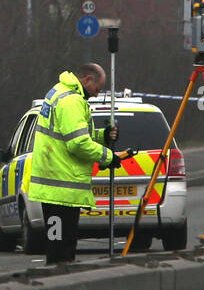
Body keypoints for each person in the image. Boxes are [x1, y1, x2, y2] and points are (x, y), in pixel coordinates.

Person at [27, 64, 128, 264]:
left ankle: (53, 281)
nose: (97, 95)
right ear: (87, 79)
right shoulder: (72, 101)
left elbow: (71, 135)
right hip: (63, 186)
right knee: (63, 250)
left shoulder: (59, 91)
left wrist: (102, 135)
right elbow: (78, 143)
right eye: (97, 89)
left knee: (56, 246)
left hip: (54, 184)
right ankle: (59, 286)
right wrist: (108, 157)